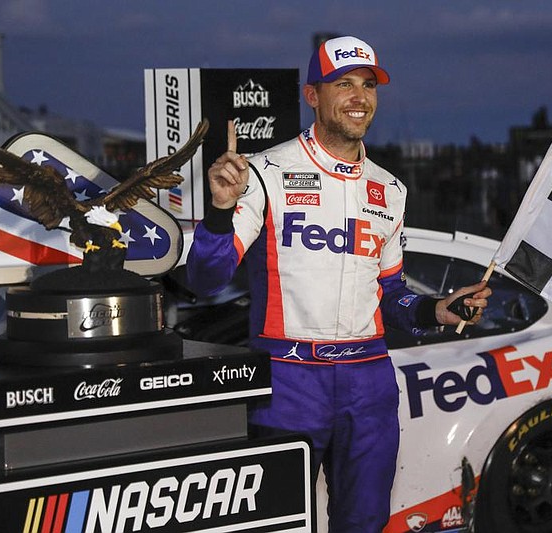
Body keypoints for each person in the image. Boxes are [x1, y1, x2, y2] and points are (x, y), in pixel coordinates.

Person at [186, 35, 491, 532]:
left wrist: (437, 309)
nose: (359, 97)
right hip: (287, 380)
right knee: (277, 523)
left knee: (363, 524)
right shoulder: (264, 173)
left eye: (368, 85)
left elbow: (391, 297)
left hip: (369, 384)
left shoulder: (390, 190)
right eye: (343, 84)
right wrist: (220, 213)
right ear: (313, 96)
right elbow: (205, 278)